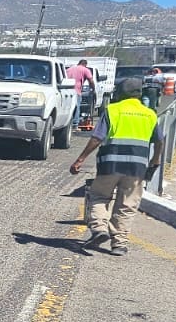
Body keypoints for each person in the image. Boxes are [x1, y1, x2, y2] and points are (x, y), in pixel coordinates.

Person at [69, 77, 163, 257]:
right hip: (137, 167)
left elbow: (97, 138)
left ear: (120, 93)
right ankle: (119, 244)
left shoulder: (112, 110)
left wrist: (80, 159)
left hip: (110, 164)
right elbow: (159, 140)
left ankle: (99, 229)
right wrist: (155, 161)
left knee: (98, 196)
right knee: (127, 205)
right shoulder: (150, 114)